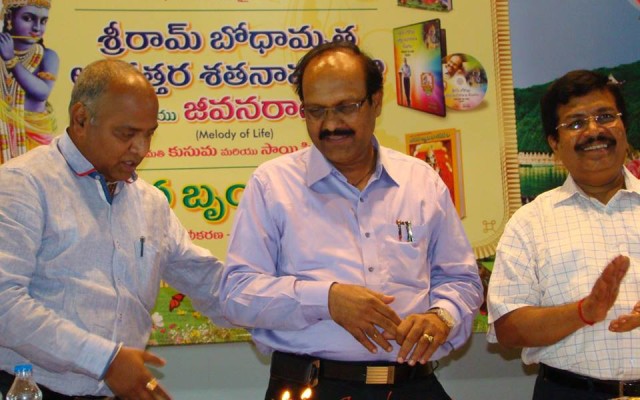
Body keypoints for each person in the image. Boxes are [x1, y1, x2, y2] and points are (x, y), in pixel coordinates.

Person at [221, 40, 483, 400]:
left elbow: (461, 280)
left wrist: (442, 317)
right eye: (315, 111)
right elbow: (237, 293)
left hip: (412, 385)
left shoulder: (421, 181)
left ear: (376, 102)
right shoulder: (272, 184)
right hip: (310, 386)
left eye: (346, 107)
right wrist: (326, 300)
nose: (330, 124)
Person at [0, 59, 227, 399]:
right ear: (81, 119)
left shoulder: (150, 203)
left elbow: (210, 283)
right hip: (30, 390)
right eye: (126, 134)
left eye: (149, 134)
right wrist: (105, 360)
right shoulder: (23, 184)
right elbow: (5, 305)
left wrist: (310, 303)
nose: (141, 149)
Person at [487, 69, 640, 400]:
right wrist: (585, 311)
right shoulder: (530, 222)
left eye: (605, 116)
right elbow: (508, 328)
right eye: (575, 123)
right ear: (554, 144)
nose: (594, 130)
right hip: (569, 392)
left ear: (624, 127)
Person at [0, 0, 58, 164]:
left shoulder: (47, 56)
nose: (36, 28)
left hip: (35, 139)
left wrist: (11, 59)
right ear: (10, 18)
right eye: (28, 18)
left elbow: (42, 92)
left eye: (43, 21)